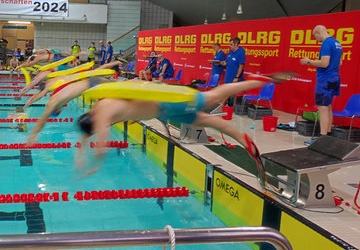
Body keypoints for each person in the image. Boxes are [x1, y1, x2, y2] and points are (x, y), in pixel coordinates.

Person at [75, 72, 294, 177]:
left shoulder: (102, 115)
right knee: (210, 120)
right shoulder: (99, 104)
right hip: (166, 109)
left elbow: (101, 141)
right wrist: (81, 152)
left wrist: (93, 164)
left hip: (169, 102)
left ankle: (264, 80)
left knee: (214, 97)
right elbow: (87, 133)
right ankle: (244, 141)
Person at [26, 60, 125, 146]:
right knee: (104, 75)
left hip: (90, 83)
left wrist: (33, 135)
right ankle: (116, 64)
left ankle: (127, 77)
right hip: (86, 81)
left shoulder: (54, 102)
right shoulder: (56, 93)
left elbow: (42, 120)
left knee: (117, 88)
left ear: (58, 110)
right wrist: (30, 101)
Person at [299, 25, 343, 145]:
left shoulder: (326, 44)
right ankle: (327, 136)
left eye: (315, 36)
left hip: (325, 80)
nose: (316, 39)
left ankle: (322, 139)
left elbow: (324, 63)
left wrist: (309, 61)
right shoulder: (337, 43)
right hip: (335, 78)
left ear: (318, 32)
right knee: (328, 108)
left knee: (322, 109)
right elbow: (340, 62)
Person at [222, 36, 246, 106]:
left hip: (234, 77)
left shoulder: (241, 52)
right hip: (228, 76)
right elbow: (226, 62)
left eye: (231, 44)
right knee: (227, 93)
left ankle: (220, 107)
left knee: (227, 93)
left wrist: (236, 77)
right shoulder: (230, 52)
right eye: (229, 44)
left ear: (236, 44)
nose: (229, 46)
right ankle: (225, 107)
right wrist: (222, 63)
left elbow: (241, 66)